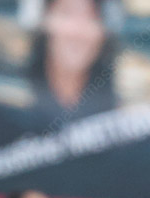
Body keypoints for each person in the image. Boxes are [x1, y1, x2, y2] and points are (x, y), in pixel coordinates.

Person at [27, 0, 118, 129]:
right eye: (67, 14)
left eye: (92, 16)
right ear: (44, 20)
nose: (78, 31)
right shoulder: (9, 97)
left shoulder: (122, 116)